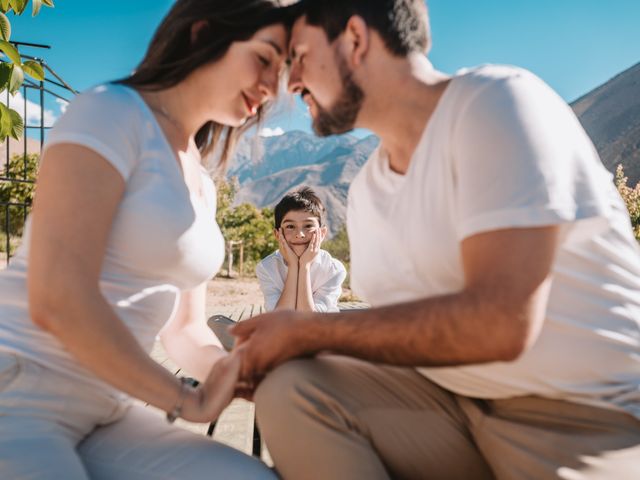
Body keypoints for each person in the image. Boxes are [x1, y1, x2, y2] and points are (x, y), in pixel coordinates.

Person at [232, 1, 640, 479]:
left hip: (583, 417)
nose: (291, 81)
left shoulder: (495, 102)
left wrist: (305, 331)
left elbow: (500, 324)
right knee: (292, 388)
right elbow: (403, 336)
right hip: (449, 407)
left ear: (356, 39)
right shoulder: (367, 192)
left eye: (299, 56)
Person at [0, 0, 300, 478]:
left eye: (280, 72)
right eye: (264, 59)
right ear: (203, 34)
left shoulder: (201, 182)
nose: (270, 87)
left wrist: (233, 371)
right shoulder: (110, 111)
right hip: (20, 393)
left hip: (110, 409)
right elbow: (57, 298)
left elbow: (184, 329)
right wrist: (187, 400)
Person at [256, 186, 346, 312]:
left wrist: (304, 266)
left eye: (308, 225)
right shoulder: (267, 268)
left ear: (322, 233)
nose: (300, 234)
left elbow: (309, 320)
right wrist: (293, 266)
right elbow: (281, 318)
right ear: (277, 234)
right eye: (290, 226)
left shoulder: (333, 269)